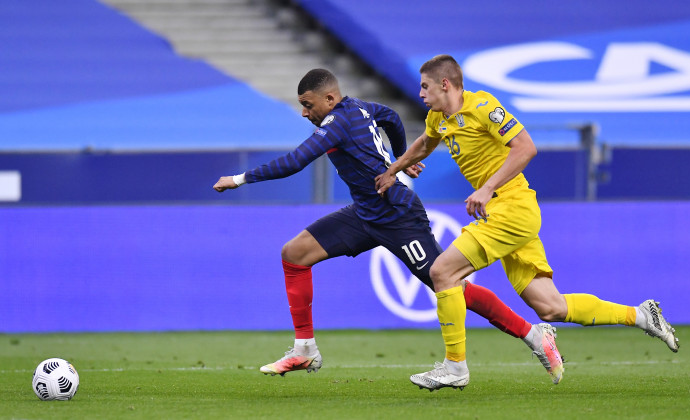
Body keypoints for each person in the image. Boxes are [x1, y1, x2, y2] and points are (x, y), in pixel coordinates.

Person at [213, 68, 564, 384]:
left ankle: (534, 335)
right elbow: (392, 117)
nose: (305, 113)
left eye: (308, 104)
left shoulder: (337, 122)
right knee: (294, 254)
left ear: (330, 99)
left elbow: (296, 161)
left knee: (449, 284)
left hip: (397, 215)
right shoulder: (363, 108)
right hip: (365, 213)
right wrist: (400, 162)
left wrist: (239, 178)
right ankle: (305, 349)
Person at [375, 54, 680, 391]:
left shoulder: (483, 107)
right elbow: (425, 143)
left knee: (442, 272)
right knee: (551, 307)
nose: (420, 93)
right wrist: (394, 169)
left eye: (425, 86)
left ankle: (455, 367)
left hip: (512, 206)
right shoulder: (438, 117)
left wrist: (488, 187)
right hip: (501, 212)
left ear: (444, 84)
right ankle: (641, 315)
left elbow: (526, 147)